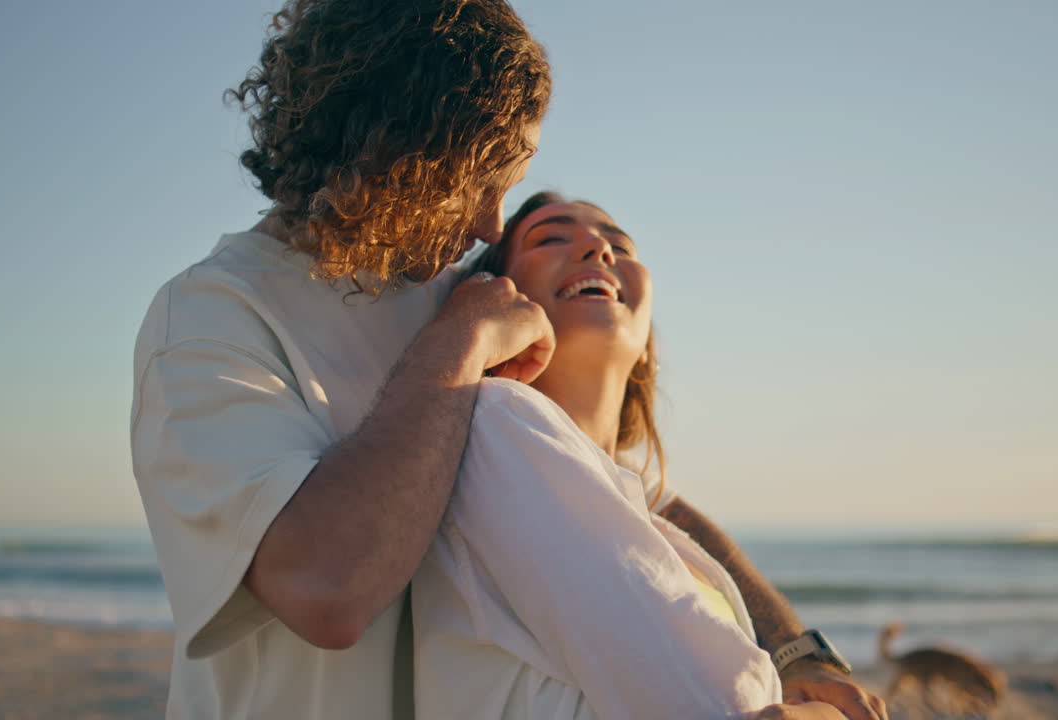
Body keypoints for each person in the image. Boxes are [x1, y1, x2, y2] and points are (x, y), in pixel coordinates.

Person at [130, 1, 884, 718]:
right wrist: (457, 345)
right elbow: (326, 587)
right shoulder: (209, 321)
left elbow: (637, 500)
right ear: (396, 145)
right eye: (479, 180)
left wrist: (793, 648)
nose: (492, 220)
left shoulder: (450, 282)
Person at [412, 193, 887, 719]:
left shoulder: (639, 508)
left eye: (620, 243)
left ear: (646, 344)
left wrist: (801, 659)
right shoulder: (502, 424)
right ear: (498, 296)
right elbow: (719, 704)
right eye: (551, 237)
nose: (598, 248)